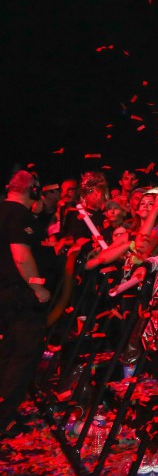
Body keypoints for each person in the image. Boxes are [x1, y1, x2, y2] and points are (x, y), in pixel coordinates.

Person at [0, 172, 50, 437]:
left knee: (8, 351)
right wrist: (37, 286)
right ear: (33, 190)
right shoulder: (18, 214)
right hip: (19, 294)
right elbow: (21, 256)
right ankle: (5, 418)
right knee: (24, 353)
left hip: (5, 294)